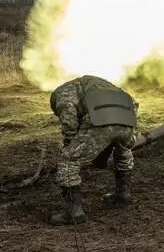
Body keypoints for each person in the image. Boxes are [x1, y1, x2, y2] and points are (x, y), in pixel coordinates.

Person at [48, 74, 137, 226]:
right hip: (128, 118)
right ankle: (123, 194)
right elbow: (132, 101)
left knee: (68, 160)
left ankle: (73, 212)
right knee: (123, 151)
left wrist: (71, 146)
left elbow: (69, 125)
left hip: (102, 119)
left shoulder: (62, 94)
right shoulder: (94, 83)